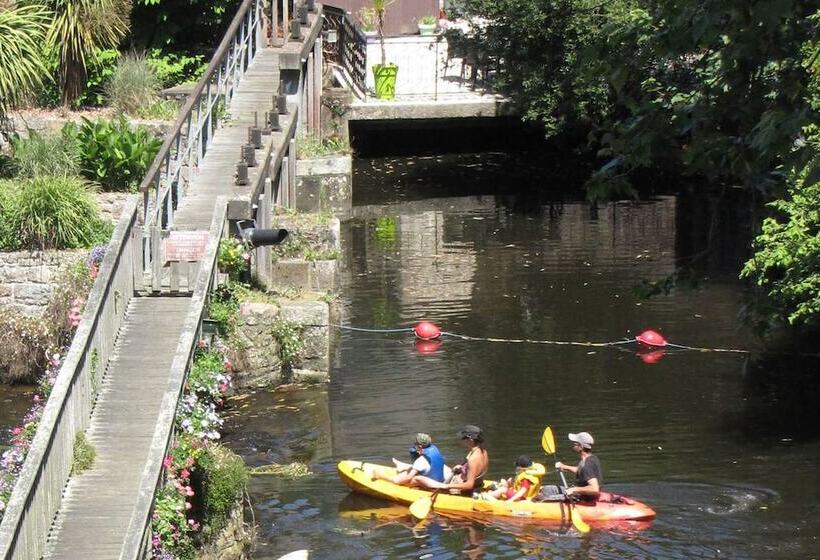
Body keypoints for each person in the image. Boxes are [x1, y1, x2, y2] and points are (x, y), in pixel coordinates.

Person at [425, 425, 489, 496]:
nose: (462, 440)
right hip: (476, 484)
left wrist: (447, 486)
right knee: (442, 467)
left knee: (419, 479)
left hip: (463, 488)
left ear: (470, 439)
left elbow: (469, 485)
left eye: (463, 438)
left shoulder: (473, 459)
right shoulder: (483, 452)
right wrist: (462, 467)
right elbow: (476, 470)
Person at [372, 433, 447, 487]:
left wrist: (399, 479)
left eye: (415, 443)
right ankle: (401, 466)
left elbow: (409, 478)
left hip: (430, 483)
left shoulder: (421, 461)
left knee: (397, 480)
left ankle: (378, 475)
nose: (414, 445)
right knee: (418, 468)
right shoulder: (435, 449)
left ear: (420, 446)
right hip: (439, 479)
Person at [553, 431, 603, 501]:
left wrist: (574, 489)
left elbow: (594, 489)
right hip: (582, 494)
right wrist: (564, 467)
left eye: (575, 443)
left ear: (581, 446)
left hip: (583, 498)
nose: (573, 444)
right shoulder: (592, 458)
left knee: (545, 494)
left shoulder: (587, 465)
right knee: (549, 489)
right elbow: (582, 471)